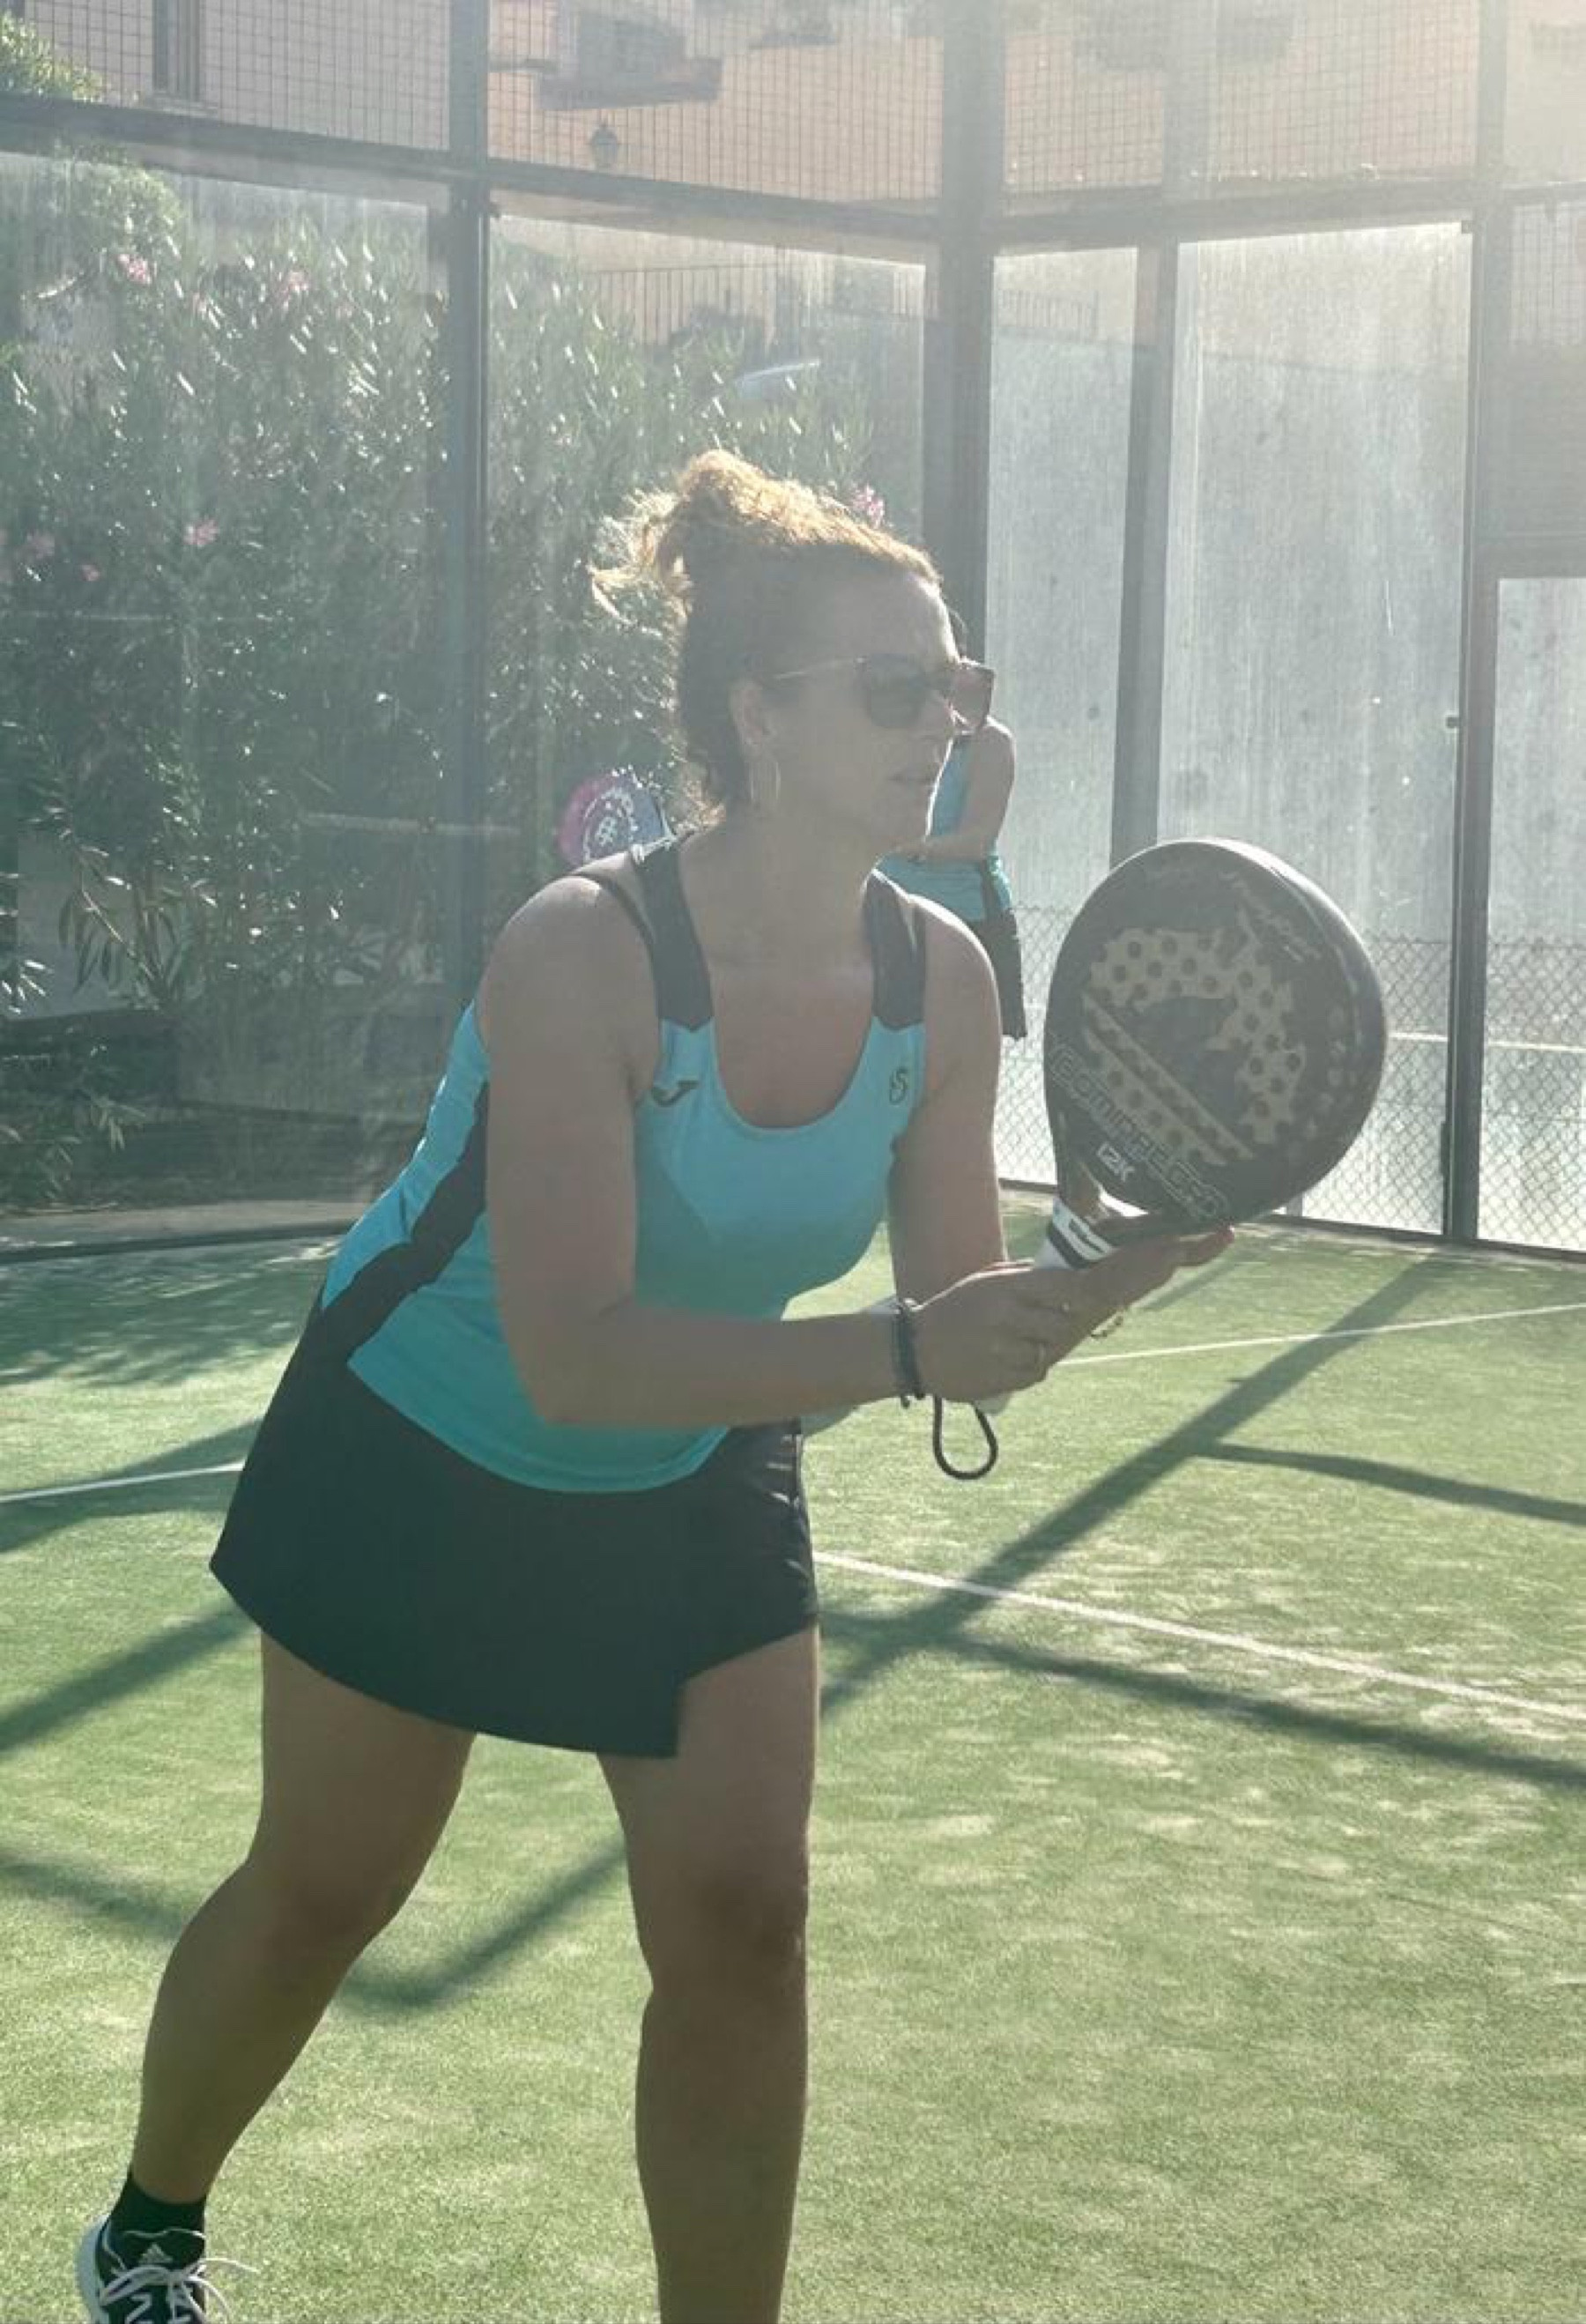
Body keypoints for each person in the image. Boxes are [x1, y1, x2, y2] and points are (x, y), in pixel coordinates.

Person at [77, 451, 1228, 2324]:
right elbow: (576, 1348)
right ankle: (147, 2231)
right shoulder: (582, 951)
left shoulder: (938, 982)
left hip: (696, 1456)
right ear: (758, 718)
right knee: (326, 1888)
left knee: (746, 1926)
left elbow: (956, 1309)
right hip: (422, 1442)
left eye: (954, 686)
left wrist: (1125, 1254)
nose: (940, 724)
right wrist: (905, 1349)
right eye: (892, 688)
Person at [878, 706, 1026, 1039]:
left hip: (968, 919)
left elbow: (977, 841)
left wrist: (908, 848)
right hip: (892, 919)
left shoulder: (991, 742)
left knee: (962, 1045)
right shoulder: (886, 734)